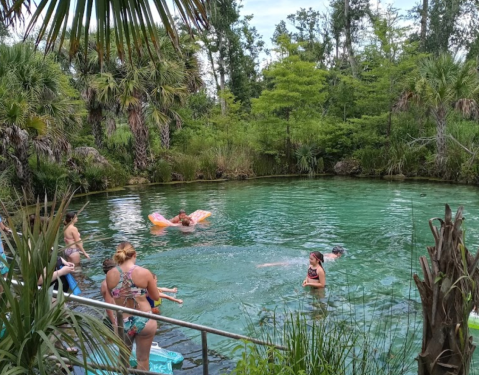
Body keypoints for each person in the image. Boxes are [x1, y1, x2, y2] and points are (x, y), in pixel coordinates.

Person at [106, 242, 160, 371]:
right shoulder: (144, 272)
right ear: (134, 254)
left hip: (122, 321)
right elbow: (156, 297)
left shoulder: (110, 274)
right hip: (144, 319)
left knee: (123, 358)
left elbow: (111, 297)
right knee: (143, 359)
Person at [100, 258, 118, 332]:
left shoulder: (105, 282)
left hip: (110, 314)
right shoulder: (107, 284)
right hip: (112, 315)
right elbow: (108, 305)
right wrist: (114, 323)